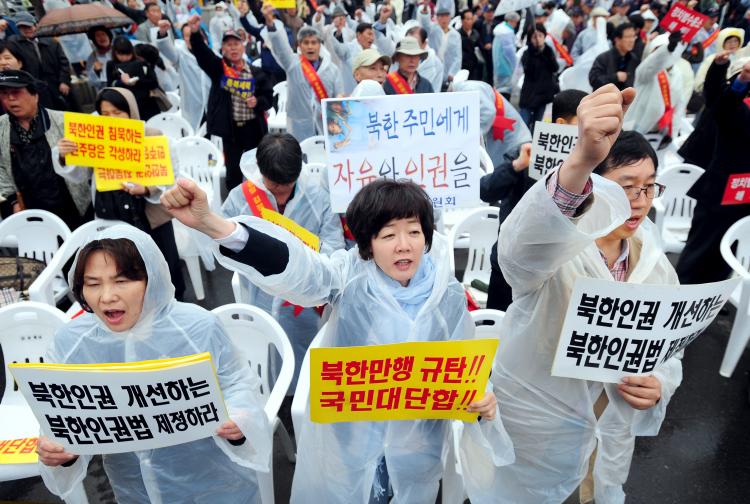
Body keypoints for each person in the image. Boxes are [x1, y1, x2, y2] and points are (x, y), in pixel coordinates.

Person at [160, 173, 511, 504]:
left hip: (417, 442)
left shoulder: (446, 294)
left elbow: (464, 370)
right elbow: (297, 267)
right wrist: (214, 225)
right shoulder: (348, 279)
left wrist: (481, 400)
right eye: (388, 235)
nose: (404, 246)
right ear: (368, 245)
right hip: (352, 438)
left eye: (414, 232)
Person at [469, 84, 684, 504]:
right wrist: (581, 160)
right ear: (597, 187)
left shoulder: (654, 264)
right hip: (538, 428)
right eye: (626, 186)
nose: (639, 202)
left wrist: (659, 382)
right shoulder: (555, 249)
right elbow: (517, 253)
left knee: (596, 492)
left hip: (609, 433)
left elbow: (669, 345)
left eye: (650, 187)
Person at [36, 226, 272, 503]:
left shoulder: (196, 326)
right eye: (93, 283)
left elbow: (236, 384)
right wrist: (62, 452)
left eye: (122, 281)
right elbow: (68, 416)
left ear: (152, 279)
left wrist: (239, 419)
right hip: (133, 486)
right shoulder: (73, 342)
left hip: (213, 481)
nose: (107, 296)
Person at [221, 132, 345, 430]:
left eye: (286, 187)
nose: (279, 194)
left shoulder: (317, 198)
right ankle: (278, 402)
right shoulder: (240, 198)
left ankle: (301, 400)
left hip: (305, 301)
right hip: (260, 294)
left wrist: (300, 261)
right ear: (261, 173)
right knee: (267, 358)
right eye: (272, 186)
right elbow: (220, 245)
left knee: (304, 356)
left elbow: (334, 248)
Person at [53, 87, 186, 301]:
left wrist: (146, 189)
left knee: (161, 268)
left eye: (118, 113)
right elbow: (77, 176)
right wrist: (64, 155)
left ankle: (170, 304)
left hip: (148, 216)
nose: (112, 119)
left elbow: (170, 176)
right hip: (111, 215)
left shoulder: (152, 136)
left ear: (131, 111)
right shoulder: (95, 138)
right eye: (105, 114)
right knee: (121, 270)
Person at [481, 88, 585, 312]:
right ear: (561, 123)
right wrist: (516, 166)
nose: (588, 131)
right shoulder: (527, 153)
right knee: (499, 329)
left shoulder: (590, 162)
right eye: (582, 123)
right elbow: (486, 190)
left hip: (558, 268)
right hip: (510, 263)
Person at [676, 58, 750, 285]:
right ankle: (678, 296)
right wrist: (734, 75)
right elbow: (720, 102)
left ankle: (714, 298)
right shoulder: (737, 106)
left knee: (729, 255)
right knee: (699, 252)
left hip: (745, 199)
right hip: (719, 191)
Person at [189, 14, 274, 191]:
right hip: (231, 131)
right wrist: (195, 34)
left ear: (242, 47)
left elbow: (269, 98)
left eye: (236, 44)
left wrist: (257, 102)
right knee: (233, 174)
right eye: (229, 44)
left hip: (254, 130)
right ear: (223, 49)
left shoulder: (256, 72)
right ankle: (233, 211)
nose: (233, 48)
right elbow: (202, 55)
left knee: (257, 172)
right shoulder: (219, 70)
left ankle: (258, 204)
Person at [0, 70, 91, 229]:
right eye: (4, 93)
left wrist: (65, 158)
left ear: (35, 95)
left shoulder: (64, 122)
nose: (10, 99)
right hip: (27, 211)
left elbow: (86, 168)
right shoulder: (2, 127)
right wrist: (12, 201)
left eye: (16, 92)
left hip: (71, 208)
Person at [261, 5, 344, 141]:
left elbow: (339, 94)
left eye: (313, 42)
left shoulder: (332, 69)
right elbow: (280, 48)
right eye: (306, 43)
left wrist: (339, 99)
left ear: (320, 45)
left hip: (327, 128)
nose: (310, 46)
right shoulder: (292, 64)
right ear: (299, 45)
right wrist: (270, 23)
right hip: (298, 127)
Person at [623, 31, 686, 135]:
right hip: (634, 127)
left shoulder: (678, 75)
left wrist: (672, 133)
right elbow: (654, 62)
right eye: (657, 50)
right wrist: (667, 49)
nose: (661, 55)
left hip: (659, 131)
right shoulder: (646, 71)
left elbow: (679, 105)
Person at [9, 12, 71, 111]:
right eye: (22, 27)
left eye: (29, 26)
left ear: (36, 25)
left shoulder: (50, 41)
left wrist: (64, 81)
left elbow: (63, 62)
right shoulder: (14, 43)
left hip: (57, 85)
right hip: (35, 88)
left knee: (66, 112)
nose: (26, 30)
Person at [155, 21, 212, 131]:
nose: (191, 38)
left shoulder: (213, 55)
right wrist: (162, 33)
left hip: (213, 106)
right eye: (187, 36)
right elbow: (166, 49)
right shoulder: (181, 56)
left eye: (194, 34)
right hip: (193, 107)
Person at [105, 36, 162, 121]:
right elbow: (110, 86)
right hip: (126, 106)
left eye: (128, 54)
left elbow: (154, 83)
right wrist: (122, 82)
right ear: (115, 53)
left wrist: (137, 81)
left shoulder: (141, 63)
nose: (124, 57)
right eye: (121, 54)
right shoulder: (111, 65)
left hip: (146, 105)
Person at [519, 24, 559, 132]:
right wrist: (535, 52)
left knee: (537, 126)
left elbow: (555, 67)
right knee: (524, 125)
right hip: (529, 95)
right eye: (534, 37)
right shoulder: (527, 53)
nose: (538, 39)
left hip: (543, 95)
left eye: (540, 36)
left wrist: (543, 52)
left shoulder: (548, 51)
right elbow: (529, 70)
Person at [418, 1, 462, 86]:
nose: (444, 19)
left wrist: (452, 73)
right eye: (441, 16)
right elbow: (425, 24)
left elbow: (457, 57)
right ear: (437, 18)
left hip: (448, 73)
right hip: (432, 68)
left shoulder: (456, 35)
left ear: (450, 18)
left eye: (446, 16)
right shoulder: (432, 29)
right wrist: (425, 8)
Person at [589, 22, 640, 91]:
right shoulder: (603, 58)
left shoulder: (634, 59)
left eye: (633, 36)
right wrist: (615, 77)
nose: (632, 40)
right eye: (628, 37)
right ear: (617, 40)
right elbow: (594, 80)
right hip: (605, 99)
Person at [405, 24, 445, 93]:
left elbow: (435, 93)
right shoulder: (399, 60)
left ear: (424, 44)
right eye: (407, 44)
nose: (410, 48)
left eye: (414, 44)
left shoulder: (436, 64)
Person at [492, 11, 520, 98]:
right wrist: (515, 65)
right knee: (504, 93)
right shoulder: (506, 33)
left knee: (499, 90)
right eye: (516, 22)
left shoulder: (501, 30)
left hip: (499, 65)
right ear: (511, 21)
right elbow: (510, 53)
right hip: (505, 67)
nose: (516, 24)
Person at [86, 26, 113, 91]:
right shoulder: (93, 56)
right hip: (105, 89)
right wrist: (95, 71)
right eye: (97, 35)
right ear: (94, 40)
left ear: (109, 36)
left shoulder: (117, 50)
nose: (101, 38)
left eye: (103, 34)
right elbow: (92, 82)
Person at [459, 9, 482, 81]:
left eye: (471, 19)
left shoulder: (476, 34)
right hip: (462, 68)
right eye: (468, 19)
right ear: (462, 21)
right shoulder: (457, 35)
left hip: (475, 68)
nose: (470, 22)